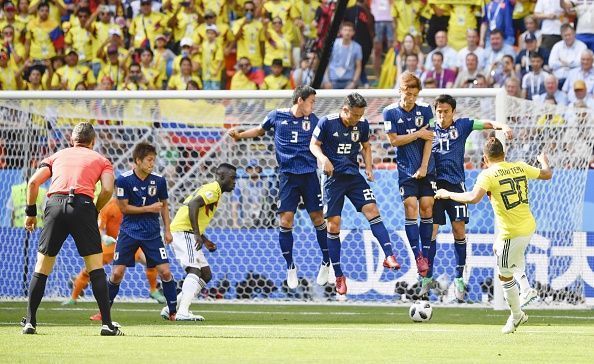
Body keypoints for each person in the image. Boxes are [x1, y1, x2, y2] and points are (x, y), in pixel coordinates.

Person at [435, 136, 552, 334]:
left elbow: (473, 198)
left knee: (504, 275)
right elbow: (547, 174)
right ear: (504, 155)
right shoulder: (520, 166)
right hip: (528, 225)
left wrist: (448, 194)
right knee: (498, 249)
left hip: (511, 232)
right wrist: (543, 161)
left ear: (485, 158)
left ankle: (517, 314)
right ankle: (525, 287)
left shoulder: (488, 174)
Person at [22, 122, 122, 336]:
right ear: (93, 142)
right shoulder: (101, 160)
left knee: (42, 267)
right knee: (95, 267)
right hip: (83, 205)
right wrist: (95, 209)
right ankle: (107, 324)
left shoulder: (57, 156)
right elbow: (106, 189)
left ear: (72, 140)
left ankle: (30, 322)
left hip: (55, 204)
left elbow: (33, 183)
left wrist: (30, 213)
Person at [228, 86, 330, 289]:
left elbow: (323, 143)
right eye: (311, 101)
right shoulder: (277, 116)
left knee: (318, 218)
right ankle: (290, 266)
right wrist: (239, 136)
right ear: (300, 100)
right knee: (286, 221)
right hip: (287, 177)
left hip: (309, 175)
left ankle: (326, 261)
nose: (313, 105)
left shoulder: (315, 121)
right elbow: (259, 130)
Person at [422, 94, 513, 301]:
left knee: (458, 229)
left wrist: (502, 127)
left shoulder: (462, 125)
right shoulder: (428, 127)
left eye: (446, 112)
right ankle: (427, 278)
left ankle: (459, 278)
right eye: (439, 112)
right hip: (434, 186)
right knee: (432, 231)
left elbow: (486, 123)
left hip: (456, 186)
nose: (442, 115)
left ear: (453, 112)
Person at [310, 93, 401, 295]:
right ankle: (339, 274)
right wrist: (323, 159)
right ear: (345, 109)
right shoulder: (327, 123)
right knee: (334, 225)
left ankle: (389, 255)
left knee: (373, 210)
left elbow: (366, 146)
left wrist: (369, 168)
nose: (357, 119)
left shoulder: (362, 125)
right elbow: (313, 145)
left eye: (361, 115)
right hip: (333, 178)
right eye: (355, 115)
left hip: (353, 176)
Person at [107, 142, 178, 321]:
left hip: (152, 234)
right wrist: (148, 208)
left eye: (153, 160)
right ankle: (104, 311)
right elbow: (124, 208)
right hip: (128, 232)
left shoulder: (159, 180)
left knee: (166, 272)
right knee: (116, 274)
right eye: (149, 160)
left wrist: (167, 230)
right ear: (138, 161)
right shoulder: (123, 180)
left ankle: (173, 312)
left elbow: (164, 207)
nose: (152, 163)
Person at [63, 197, 166, 311]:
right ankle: (73, 298)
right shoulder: (108, 206)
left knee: (150, 260)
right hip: (112, 243)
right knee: (90, 268)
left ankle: (153, 290)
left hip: (131, 241)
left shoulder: (136, 203)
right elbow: (100, 228)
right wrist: (104, 237)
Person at [162, 163, 237, 321]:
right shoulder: (213, 190)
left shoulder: (214, 191)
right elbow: (193, 204)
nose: (234, 181)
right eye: (232, 178)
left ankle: (171, 308)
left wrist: (205, 239)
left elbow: (196, 209)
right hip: (184, 232)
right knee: (194, 270)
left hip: (187, 231)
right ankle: (182, 312)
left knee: (206, 274)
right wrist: (196, 234)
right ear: (221, 177)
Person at [382, 71, 434, 277]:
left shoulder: (425, 109)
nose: (409, 98)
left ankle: (426, 256)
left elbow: (429, 138)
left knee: (427, 207)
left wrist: (424, 167)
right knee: (411, 206)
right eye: (406, 93)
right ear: (400, 91)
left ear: (418, 93)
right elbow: (394, 140)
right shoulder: (390, 112)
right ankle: (417, 255)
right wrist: (418, 134)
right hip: (405, 168)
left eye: (413, 94)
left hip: (427, 167)